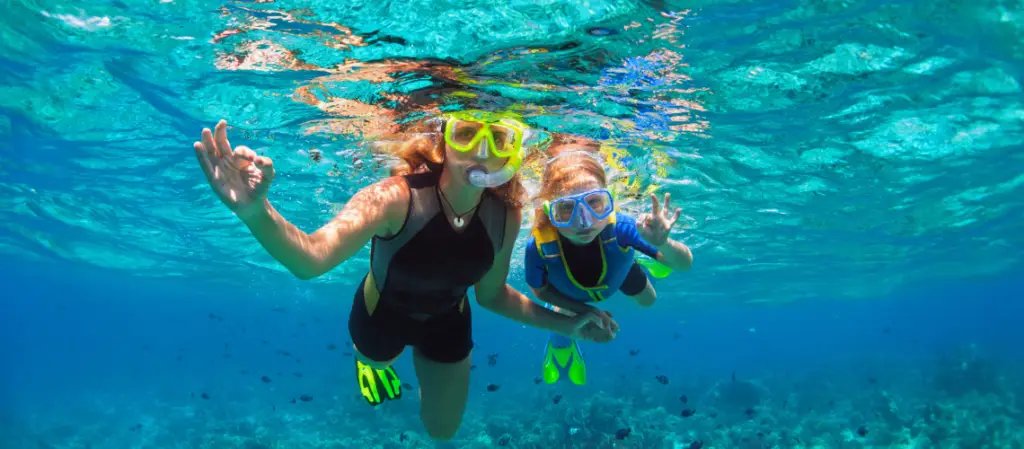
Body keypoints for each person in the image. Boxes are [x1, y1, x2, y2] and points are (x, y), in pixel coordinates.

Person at [190, 111, 614, 441]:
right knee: (378, 359)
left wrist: (570, 323)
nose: (482, 152)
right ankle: (369, 361)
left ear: (511, 152)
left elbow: (491, 296)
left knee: (442, 431)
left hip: (449, 319)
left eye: (499, 138)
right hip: (381, 314)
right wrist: (253, 211)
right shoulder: (395, 197)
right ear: (444, 142)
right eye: (467, 134)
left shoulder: (507, 213)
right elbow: (311, 260)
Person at [524, 144, 693, 386]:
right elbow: (539, 290)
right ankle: (561, 348)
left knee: (649, 300)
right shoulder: (538, 246)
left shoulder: (622, 226)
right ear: (549, 211)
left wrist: (664, 244)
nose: (583, 222)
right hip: (566, 293)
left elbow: (685, 265)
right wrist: (586, 311)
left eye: (594, 203)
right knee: (562, 320)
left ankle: (650, 254)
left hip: (619, 272)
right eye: (566, 209)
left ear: (609, 200)